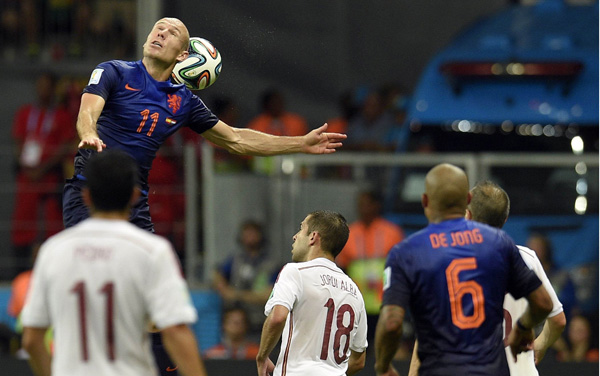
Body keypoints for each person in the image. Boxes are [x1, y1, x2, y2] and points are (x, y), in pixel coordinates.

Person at [61, 17, 345, 376]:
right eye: (158, 28)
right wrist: (88, 133)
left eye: (172, 31)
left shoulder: (182, 101)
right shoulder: (114, 72)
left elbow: (237, 139)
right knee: (98, 291)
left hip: (134, 202)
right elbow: (88, 112)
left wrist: (300, 144)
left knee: (159, 308)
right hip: (91, 193)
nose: (160, 32)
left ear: (184, 55)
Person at [20, 150, 207, 376]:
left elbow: (31, 339)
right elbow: (176, 331)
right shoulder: (152, 251)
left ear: (86, 196)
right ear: (135, 196)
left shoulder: (53, 251)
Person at [374, 163, 553, 376]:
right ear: (467, 201)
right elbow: (543, 303)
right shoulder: (498, 244)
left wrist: (383, 366)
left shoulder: (406, 252)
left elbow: (392, 323)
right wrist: (523, 328)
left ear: (424, 201)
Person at [465, 181, 566, 375]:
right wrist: (541, 344)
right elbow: (558, 320)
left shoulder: (451, 261)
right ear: (505, 219)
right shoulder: (526, 258)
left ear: (467, 215)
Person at [256, 210, 368, 376]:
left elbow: (278, 317)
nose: (295, 236)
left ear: (313, 237)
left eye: (301, 229)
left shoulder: (295, 272)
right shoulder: (355, 292)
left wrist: (262, 356)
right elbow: (359, 361)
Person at [10, 71, 76, 279]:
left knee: (51, 228)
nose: (43, 90)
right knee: (23, 225)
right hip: (27, 181)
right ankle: (20, 276)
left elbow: (65, 146)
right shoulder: (26, 112)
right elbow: (19, 142)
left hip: (50, 182)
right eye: (40, 85)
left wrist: (43, 168)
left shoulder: (62, 116)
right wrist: (28, 167)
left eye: (47, 86)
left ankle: (53, 275)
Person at [336, 190, 404, 341]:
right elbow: (342, 268)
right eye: (360, 205)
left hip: (384, 302)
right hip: (356, 303)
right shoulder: (349, 233)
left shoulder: (392, 232)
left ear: (376, 206)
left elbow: (400, 268)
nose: (363, 208)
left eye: (367, 204)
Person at [213, 220, 280, 338]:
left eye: (253, 234)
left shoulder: (272, 264)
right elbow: (218, 273)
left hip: (259, 320)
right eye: (247, 234)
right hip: (235, 317)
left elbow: (268, 295)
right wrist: (224, 290)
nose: (250, 238)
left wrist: (236, 295)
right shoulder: (236, 259)